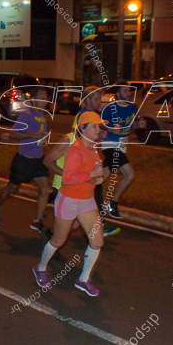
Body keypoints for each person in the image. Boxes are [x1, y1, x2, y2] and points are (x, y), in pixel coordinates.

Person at [35, 111, 107, 297]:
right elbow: (67, 179)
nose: (98, 129)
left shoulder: (93, 147)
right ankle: (41, 268)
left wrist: (96, 179)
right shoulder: (75, 149)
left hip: (87, 201)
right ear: (82, 129)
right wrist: (91, 175)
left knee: (97, 241)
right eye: (94, 126)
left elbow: (90, 175)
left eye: (99, 126)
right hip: (68, 200)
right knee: (59, 240)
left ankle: (83, 279)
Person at [43, 87, 120, 238]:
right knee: (66, 227)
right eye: (94, 126)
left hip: (84, 181)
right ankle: (52, 239)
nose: (97, 129)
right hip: (66, 185)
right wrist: (67, 174)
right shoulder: (71, 138)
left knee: (76, 222)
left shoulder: (90, 137)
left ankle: (55, 235)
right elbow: (48, 160)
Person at [0, 87, 53, 238]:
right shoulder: (26, 115)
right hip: (24, 160)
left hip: (38, 160)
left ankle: (37, 221)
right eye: (43, 97)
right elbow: (14, 134)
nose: (46, 101)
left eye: (47, 98)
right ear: (34, 99)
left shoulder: (42, 117)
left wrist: (42, 141)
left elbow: (39, 137)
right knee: (12, 188)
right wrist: (32, 134)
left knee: (45, 189)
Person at [97, 84, 138, 219]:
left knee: (103, 176)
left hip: (121, 146)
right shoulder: (110, 108)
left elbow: (133, 124)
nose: (129, 93)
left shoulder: (133, 107)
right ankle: (112, 203)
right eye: (125, 90)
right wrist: (109, 128)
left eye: (129, 90)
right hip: (109, 144)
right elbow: (99, 122)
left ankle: (80, 192)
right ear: (118, 94)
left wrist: (140, 125)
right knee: (129, 174)